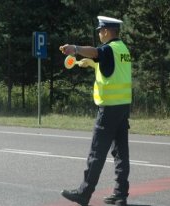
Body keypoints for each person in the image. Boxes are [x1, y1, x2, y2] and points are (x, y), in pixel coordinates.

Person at [59, 16, 132, 206]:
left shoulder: (107, 49)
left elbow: (95, 52)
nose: (99, 33)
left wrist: (75, 49)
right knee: (121, 153)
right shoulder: (123, 49)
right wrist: (93, 64)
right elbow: (112, 71)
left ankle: (84, 193)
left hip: (108, 109)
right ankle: (120, 194)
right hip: (123, 107)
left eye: (100, 30)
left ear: (107, 31)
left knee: (96, 153)